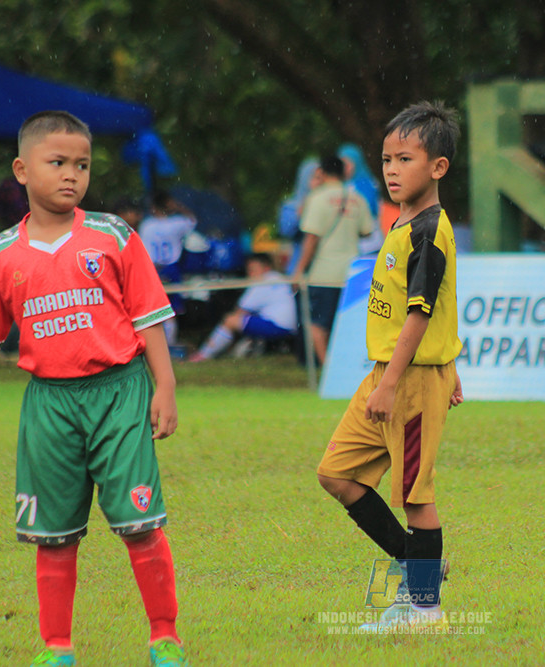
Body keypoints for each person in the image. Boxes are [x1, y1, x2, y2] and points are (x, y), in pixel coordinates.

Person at [0, 111, 190, 667]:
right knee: (53, 536)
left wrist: (163, 386)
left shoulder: (114, 236)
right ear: (22, 170)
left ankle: (164, 637)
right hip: (48, 403)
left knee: (140, 524)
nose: (72, 175)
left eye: (82, 164)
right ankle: (57, 649)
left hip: (119, 394)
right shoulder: (0, 255)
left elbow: (149, 318)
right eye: (58, 163)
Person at [316, 101, 464, 634]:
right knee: (335, 474)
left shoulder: (429, 230)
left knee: (415, 495)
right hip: (387, 376)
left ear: (438, 167)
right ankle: (420, 563)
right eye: (386, 159)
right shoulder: (403, 221)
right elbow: (438, 304)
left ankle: (424, 609)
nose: (393, 169)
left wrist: (408, 379)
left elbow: (422, 312)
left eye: (405, 158)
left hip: (407, 381)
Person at [291, 154, 374, 365]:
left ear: (322, 172)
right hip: (352, 272)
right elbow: (367, 231)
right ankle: (348, 368)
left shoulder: (317, 198)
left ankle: (329, 371)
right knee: (349, 324)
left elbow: (311, 238)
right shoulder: (358, 199)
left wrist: (299, 270)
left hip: (324, 274)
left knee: (318, 325)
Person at [188, 252, 296, 361]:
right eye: (249, 270)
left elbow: (240, 310)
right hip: (291, 326)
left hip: (278, 326)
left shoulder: (262, 281)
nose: (250, 274)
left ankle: (203, 355)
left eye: (253, 269)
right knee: (241, 321)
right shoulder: (277, 277)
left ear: (266, 268)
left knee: (230, 321)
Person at [138, 189, 197, 346]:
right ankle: (169, 344)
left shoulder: (147, 225)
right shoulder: (177, 223)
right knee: (171, 310)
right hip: (172, 268)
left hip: (152, 268)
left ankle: (155, 345)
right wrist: (178, 207)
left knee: (153, 309)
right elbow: (193, 221)